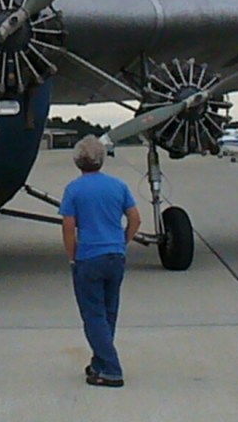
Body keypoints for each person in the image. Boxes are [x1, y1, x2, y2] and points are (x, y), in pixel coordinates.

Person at [59, 135, 141, 387]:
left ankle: (112, 369)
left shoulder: (73, 189)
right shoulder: (119, 186)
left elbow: (68, 227)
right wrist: (122, 242)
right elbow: (135, 219)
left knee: (93, 314)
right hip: (115, 255)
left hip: (89, 257)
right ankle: (99, 362)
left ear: (77, 161)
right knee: (109, 312)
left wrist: (73, 256)